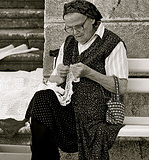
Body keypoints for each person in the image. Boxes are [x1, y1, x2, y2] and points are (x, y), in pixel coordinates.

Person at [24, 0, 128, 159]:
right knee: (41, 101)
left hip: (95, 116)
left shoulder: (112, 43)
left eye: (79, 26)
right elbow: (53, 82)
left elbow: (121, 87)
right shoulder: (69, 43)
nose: (75, 32)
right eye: (69, 28)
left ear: (92, 19)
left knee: (43, 116)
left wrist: (89, 73)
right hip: (70, 112)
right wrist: (59, 75)